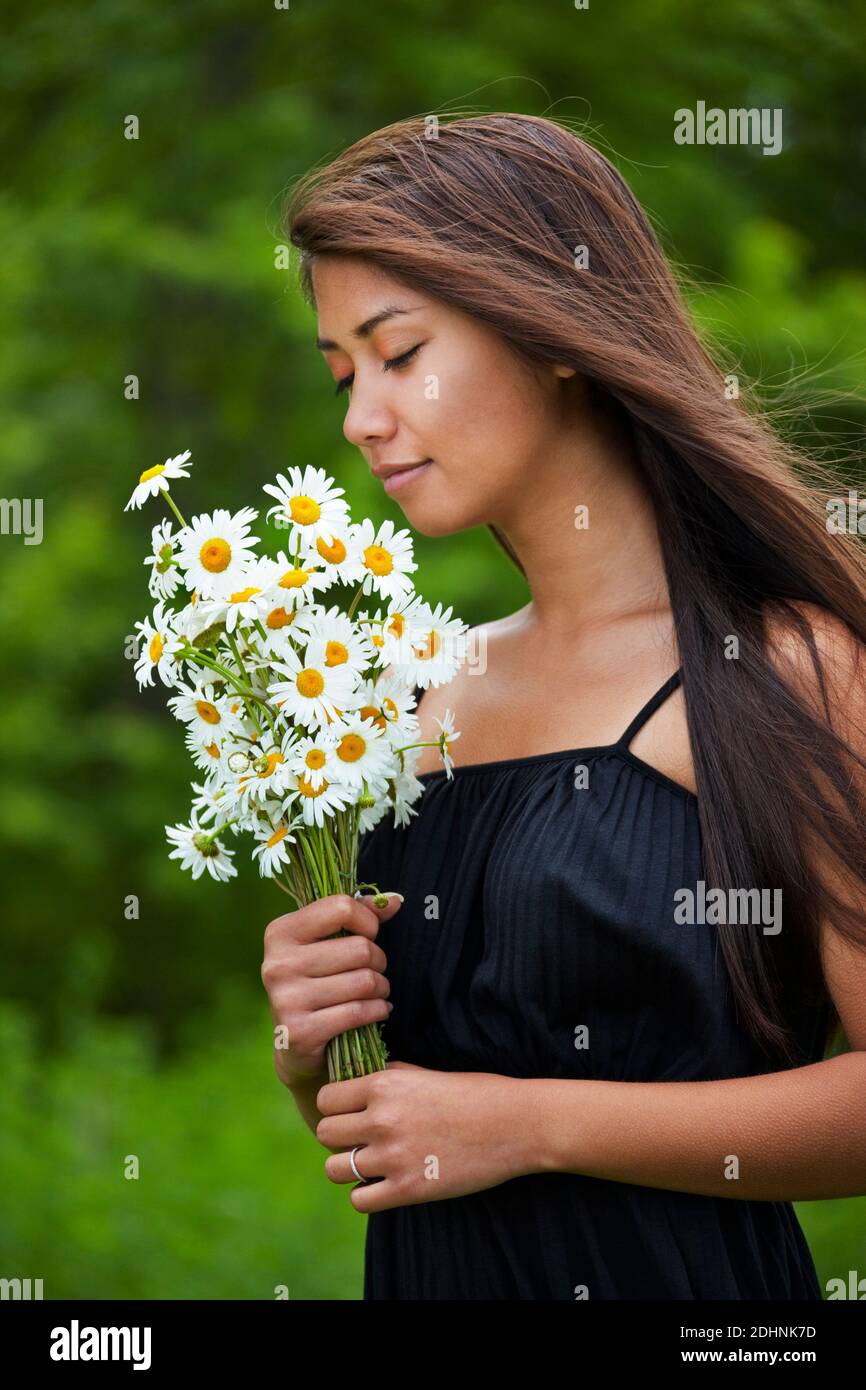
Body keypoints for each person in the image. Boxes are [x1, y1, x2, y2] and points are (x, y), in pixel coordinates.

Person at [260, 113, 866, 1300]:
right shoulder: (405, 700)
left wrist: (532, 1124)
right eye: (341, 374)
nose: (359, 420)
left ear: (548, 330)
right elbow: (397, 1121)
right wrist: (313, 1041)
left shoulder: (786, 671)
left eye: (397, 353)